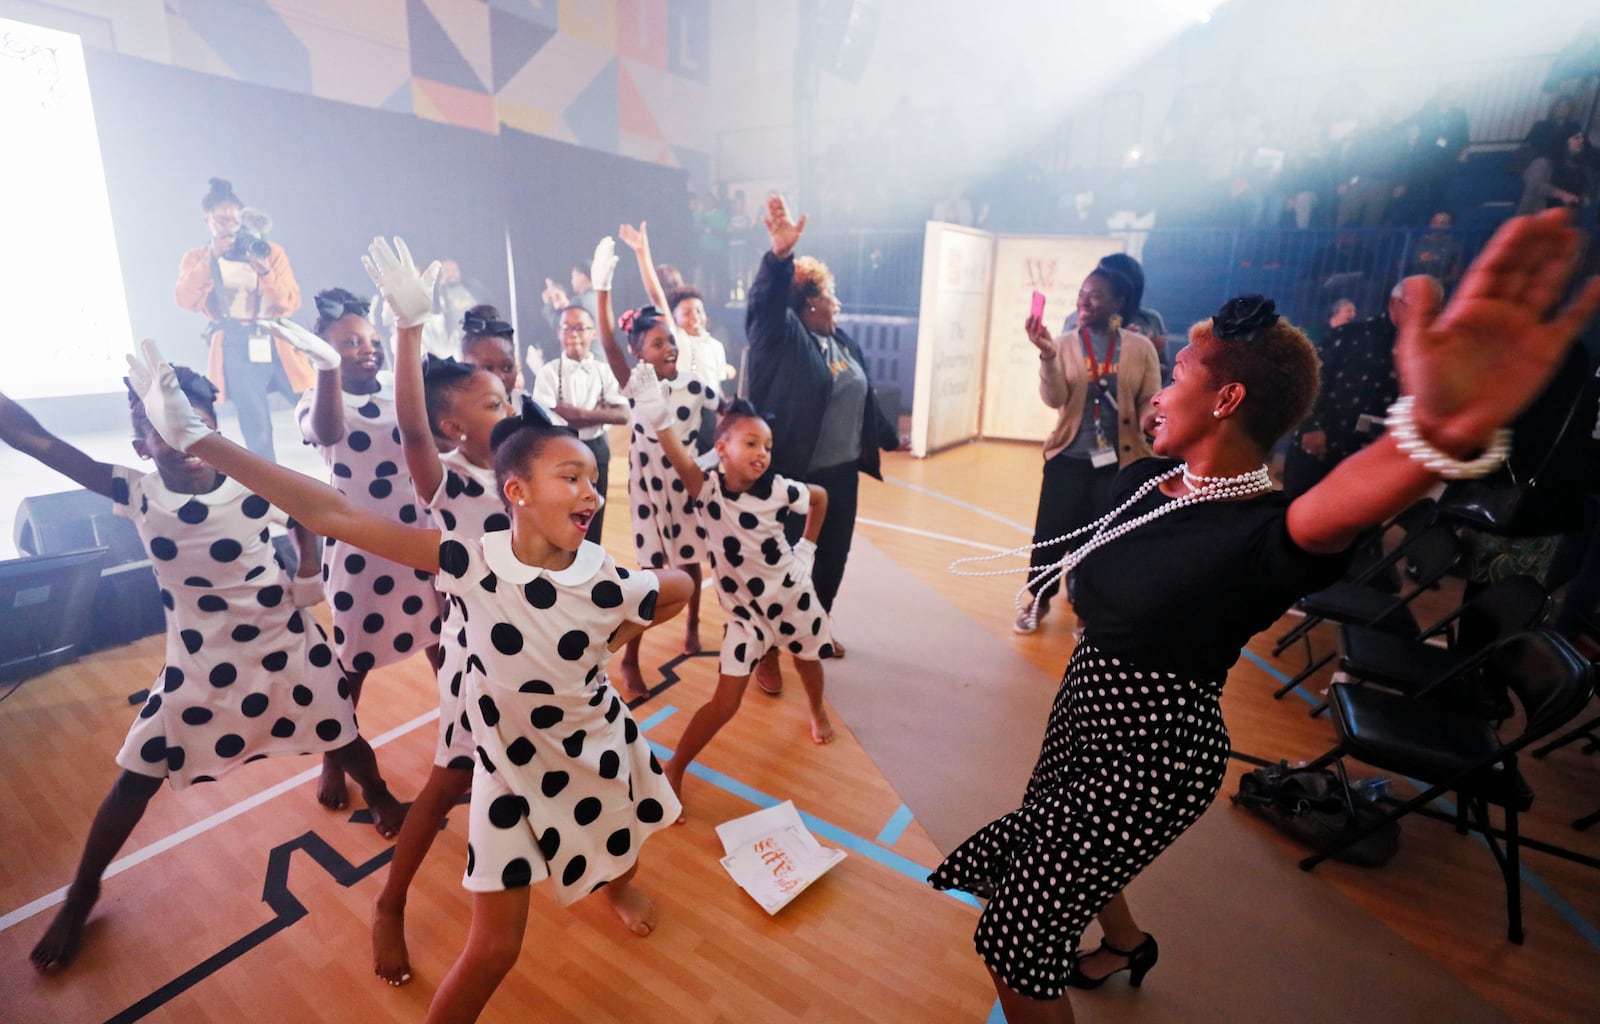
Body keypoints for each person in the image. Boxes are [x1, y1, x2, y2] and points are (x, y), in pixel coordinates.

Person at [933, 209, 1600, 1024]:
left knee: (1016, 933)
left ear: (1228, 398)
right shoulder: (1151, 482)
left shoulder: (1267, 527)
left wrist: (1424, 435)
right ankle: (1130, 942)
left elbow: (1333, 515)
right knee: (1056, 848)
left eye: (1178, 376)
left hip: (1151, 757)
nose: (1161, 391)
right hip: (1083, 714)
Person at [125, 336, 693, 1024]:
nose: (590, 490)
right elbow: (333, 513)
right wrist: (202, 440)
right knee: (492, 949)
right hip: (510, 763)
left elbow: (679, 586)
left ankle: (616, 886)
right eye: (569, 477)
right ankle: (389, 905)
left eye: (590, 477)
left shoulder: (602, 574)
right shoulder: (471, 561)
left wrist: (601, 644)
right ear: (516, 492)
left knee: (625, 836)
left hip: (597, 744)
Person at [3, 372, 404, 974]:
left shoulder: (253, 485)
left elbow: (308, 516)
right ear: (141, 445)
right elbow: (37, 441)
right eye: (163, 433)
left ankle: (378, 797)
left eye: (192, 428)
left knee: (342, 733)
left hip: (285, 646)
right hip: (199, 665)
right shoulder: (136, 491)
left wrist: (307, 575)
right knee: (134, 777)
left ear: (214, 430)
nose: (183, 447)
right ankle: (82, 891)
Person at [364, 237, 514, 986]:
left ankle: (609, 874)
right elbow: (412, 428)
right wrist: (410, 330)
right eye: (493, 404)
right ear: (455, 429)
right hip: (478, 662)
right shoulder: (450, 482)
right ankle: (390, 902)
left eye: (509, 397)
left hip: (544, 656)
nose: (510, 408)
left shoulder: (532, 472)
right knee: (451, 778)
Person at [636, 394, 836, 814]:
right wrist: (660, 421)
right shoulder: (707, 492)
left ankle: (817, 709)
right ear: (722, 448)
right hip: (746, 617)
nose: (762, 453)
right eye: (751, 443)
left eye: (767, 446)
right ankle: (674, 767)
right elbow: (679, 457)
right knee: (724, 702)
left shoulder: (780, 488)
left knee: (808, 662)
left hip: (792, 596)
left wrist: (808, 548)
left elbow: (819, 497)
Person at [287, 289, 443, 809]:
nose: (365, 349)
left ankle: (472, 726)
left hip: (416, 535)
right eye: (348, 343)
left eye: (369, 340)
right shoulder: (317, 399)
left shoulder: (400, 389)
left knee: (445, 641)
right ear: (323, 351)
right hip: (357, 550)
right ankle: (337, 757)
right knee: (351, 663)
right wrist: (328, 370)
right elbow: (328, 431)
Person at [745, 194, 900, 690]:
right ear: (811, 301)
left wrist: (884, 437)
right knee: (784, 566)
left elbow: (861, 395)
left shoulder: (843, 341)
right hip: (795, 473)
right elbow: (765, 303)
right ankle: (767, 649)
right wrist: (779, 256)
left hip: (840, 476)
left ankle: (814, 628)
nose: (838, 304)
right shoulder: (781, 337)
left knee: (831, 557)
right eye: (831, 296)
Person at [589, 237, 718, 696]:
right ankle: (631, 660)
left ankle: (694, 624)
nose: (669, 348)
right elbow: (607, 339)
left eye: (671, 341)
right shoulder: (635, 381)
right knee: (650, 575)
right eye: (657, 342)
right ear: (639, 352)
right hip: (648, 491)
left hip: (684, 485)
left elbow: (717, 428)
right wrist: (601, 288)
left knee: (692, 563)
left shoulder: (695, 385)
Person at [1015, 265, 1161, 635]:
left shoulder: (1140, 347)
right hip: (1068, 456)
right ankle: (1040, 599)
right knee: (1049, 537)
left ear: (1119, 303)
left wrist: (1149, 420)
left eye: (1095, 294)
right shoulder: (1063, 343)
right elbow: (1055, 399)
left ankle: (1087, 611)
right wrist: (1047, 356)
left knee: (1100, 542)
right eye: (1082, 293)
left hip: (1120, 463)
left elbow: (1150, 398)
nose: (1085, 300)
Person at [175, 177, 311, 462]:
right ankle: (272, 493)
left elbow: (290, 302)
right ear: (207, 219)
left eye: (234, 217)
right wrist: (209, 261)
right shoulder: (198, 257)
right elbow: (185, 299)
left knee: (313, 403)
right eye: (221, 218)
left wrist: (265, 272)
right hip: (235, 343)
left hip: (276, 338)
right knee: (257, 425)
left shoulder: (269, 252)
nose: (229, 223)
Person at [1282, 279, 1432, 499]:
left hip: (1373, 456)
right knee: (1297, 516)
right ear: (1395, 304)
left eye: (1433, 310)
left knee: (1359, 525)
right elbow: (1307, 379)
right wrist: (1310, 426)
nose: (1424, 315)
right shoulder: (1352, 335)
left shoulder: (1425, 350)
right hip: (1323, 444)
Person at [531, 304, 628, 544]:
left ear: (592, 332)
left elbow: (623, 415)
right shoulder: (550, 372)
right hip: (561, 450)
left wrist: (575, 414)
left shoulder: (603, 371)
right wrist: (599, 412)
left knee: (594, 513)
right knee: (563, 513)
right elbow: (544, 418)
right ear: (559, 333)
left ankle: (592, 568)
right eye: (567, 328)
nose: (574, 334)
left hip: (597, 448)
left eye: (580, 328)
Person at [1060, 253, 1170, 374]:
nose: (1096, 278)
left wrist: (1147, 356)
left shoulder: (1150, 322)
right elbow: (1062, 370)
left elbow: (1163, 372)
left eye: (1103, 274)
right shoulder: (1076, 319)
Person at [457, 305, 523, 405]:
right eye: (487, 369)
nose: (499, 377)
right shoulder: (451, 413)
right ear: (463, 366)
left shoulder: (532, 413)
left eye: (507, 368)